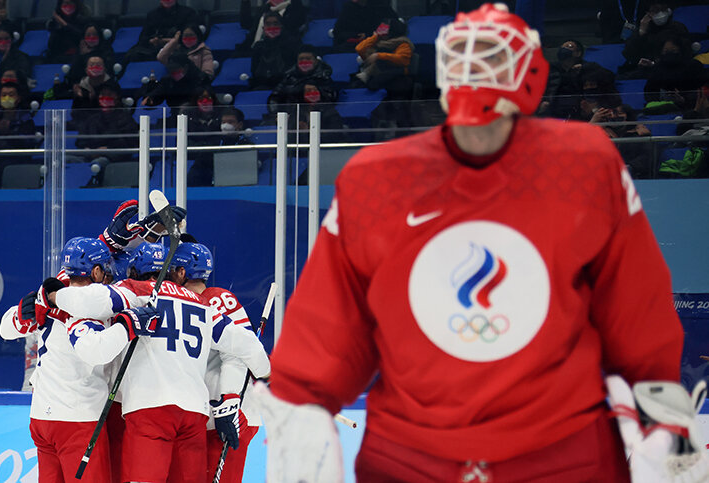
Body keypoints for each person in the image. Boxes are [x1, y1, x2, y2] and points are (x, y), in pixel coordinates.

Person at [254, 4, 702, 483]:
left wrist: (658, 403)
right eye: (464, 57)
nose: (475, 70)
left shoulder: (585, 165)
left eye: (490, 56)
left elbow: (633, 305)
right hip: (412, 454)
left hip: (560, 451)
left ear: (527, 72)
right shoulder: (376, 181)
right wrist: (301, 406)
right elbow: (333, 319)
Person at [50, 239, 270, 483]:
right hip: (194, 412)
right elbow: (247, 343)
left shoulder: (136, 290)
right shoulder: (202, 302)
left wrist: (52, 296)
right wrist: (265, 372)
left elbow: (86, 300)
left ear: (135, 270)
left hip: (150, 407)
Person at [0, 237, 117, 483]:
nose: (108, 274)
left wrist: (24, 311)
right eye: (104, 268)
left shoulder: (48, 299)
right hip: (78, 417)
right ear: (95, 271)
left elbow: (5, 329)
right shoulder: (99, 304)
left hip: (42, 417)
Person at [167, 241, 266, 483]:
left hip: (233, 411)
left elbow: (242, 354)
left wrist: (229, 402)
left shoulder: (218, 298)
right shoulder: (183, 303)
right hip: (210, 411)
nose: (167, 274)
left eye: (172, 269)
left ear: (182, 272)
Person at [74, 81, 139, 182]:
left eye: (109, 95)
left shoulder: (126, 119)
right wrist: (88, 149)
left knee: (98, 162)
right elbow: (81, 141)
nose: (105, 98)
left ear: (117, 98)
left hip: (114, 158)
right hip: (88, 156)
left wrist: (106, 149)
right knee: (66, 159)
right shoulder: (92, 119)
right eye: (102, 95)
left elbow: (128, 142)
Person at [621, 0, 689, 78]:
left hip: (673, 70)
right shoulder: (643, 30)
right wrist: (641, 32)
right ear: (648, 14)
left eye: (663, 9)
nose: (660, 13)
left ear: (669, 10)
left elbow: (685, 54)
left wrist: (655, 64)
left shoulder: (678, 28)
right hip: (646, 71)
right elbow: (629, 55)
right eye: (655, 10)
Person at [643, 36, 705, 111]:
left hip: (692, 108)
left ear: (680, 49)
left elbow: (701, 91)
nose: (670, 53)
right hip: (663, 109)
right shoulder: (657, 69)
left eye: (673, 50)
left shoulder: (694, 66)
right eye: (666, 51)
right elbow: (650, 93)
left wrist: (684, 99)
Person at [124, 0, 197, 63]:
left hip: (178, 48)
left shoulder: (188, 13)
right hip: (154, 49)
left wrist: (169, 42)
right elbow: (143, 38)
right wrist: (152, 41)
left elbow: (192, 37)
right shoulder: (152, 15)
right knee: (133, 54)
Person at [268, 44, 336, 111]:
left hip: (318, 116)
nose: (304, 62)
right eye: (301, 59)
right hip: (291, 116)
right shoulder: (288, 78)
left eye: (308, 59)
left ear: (316, 61)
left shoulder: (324, 77)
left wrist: (316, 90)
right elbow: (274, 98)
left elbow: (331, 97)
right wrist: (276, 114)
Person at [249, 12, 300, 90]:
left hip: (286, 84)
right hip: (263, 84)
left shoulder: (292, 44)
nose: (272, 27)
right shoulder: (258, 46)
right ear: (263, 28)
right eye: (268, 24)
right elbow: (254, 70)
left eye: (275, 24)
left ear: (281, 26)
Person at [239, 0, 307, 52]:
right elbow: (247, 25)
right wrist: (245, 2)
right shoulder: (265, 9)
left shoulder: (295, 9)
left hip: (284, 52)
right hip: (259, 51)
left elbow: (297, 22)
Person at [332, 0, 398, 53]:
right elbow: (338, 31)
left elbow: (393, 26)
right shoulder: (348, 7)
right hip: (351, 45)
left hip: (375, 44)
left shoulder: (381, 6)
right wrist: (355, 36)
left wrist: (368, 36)